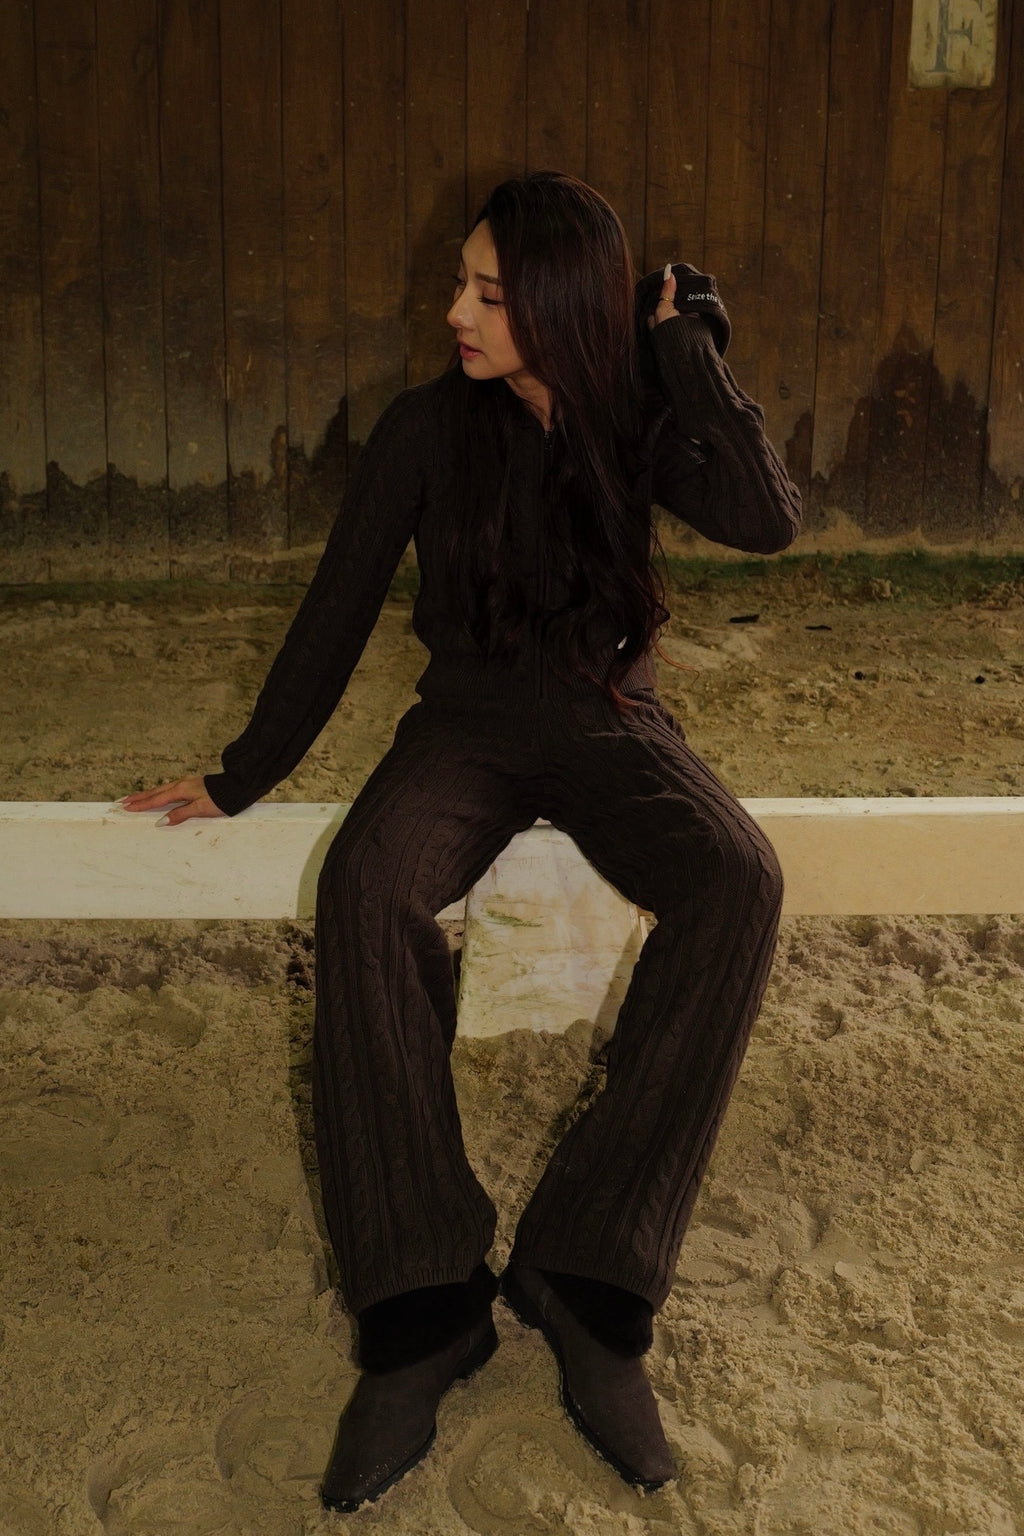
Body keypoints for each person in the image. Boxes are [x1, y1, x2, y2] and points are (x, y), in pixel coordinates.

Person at [122, 171, 801, 1513]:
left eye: (488, 293)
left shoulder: (638, 417)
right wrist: (244, 775)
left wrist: (686, 352)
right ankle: (424, 1307)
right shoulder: (426, 429)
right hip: (467, 731)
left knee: (740, 881)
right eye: (460, 284)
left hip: (612, 721)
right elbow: (336, 608)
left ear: (557, 304)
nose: (456, 313)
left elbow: (767, 517)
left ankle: (590, 1277)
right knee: (368, 890)